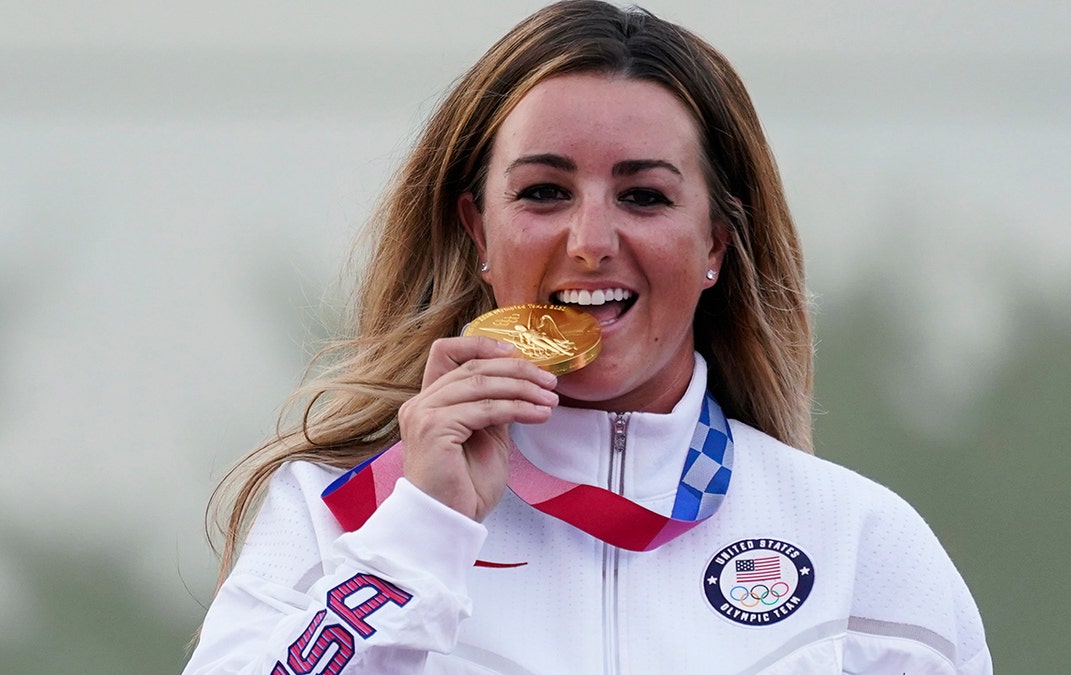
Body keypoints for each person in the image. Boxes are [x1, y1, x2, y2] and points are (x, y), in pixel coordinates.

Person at [184, 1, 992, 673]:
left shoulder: (858, 541)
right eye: (543, 191)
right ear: (478, 232)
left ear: (714, 242)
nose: (590, 240)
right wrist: (420, 532)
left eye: (643, 196)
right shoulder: (341, 513)